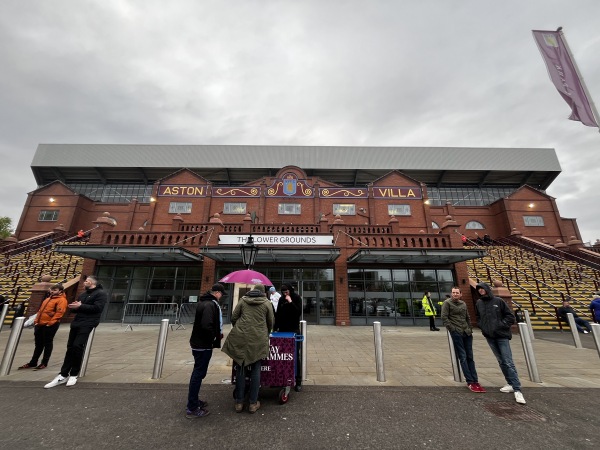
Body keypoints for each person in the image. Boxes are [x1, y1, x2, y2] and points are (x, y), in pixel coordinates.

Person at [44, 275, 107, 389]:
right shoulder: (82, 294)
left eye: (87, 281)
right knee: (70, 347)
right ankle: (63, 374)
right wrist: (73, 307)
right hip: (77, 322)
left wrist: (81, 305)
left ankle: (74, 374)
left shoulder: (101, 294)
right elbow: (77, 308)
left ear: (93, 283)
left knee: (78, 346)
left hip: (88, 322)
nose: (84, 283)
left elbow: (98, 308)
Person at [221, 284, 274, 414]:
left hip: (241, 336)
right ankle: (252, 403)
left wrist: (240, 327)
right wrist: (266, 331)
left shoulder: (243, 300)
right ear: (263, 292)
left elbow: (234, 317)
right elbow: (271, 321)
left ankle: (239, 402)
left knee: (240, 367)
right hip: (258, 338)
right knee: (256, 368)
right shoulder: (266, 303)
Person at [475, 282, 526, 405]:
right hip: (489, 336)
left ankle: (517, 388)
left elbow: (510, 316)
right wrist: (483, 327)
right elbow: (478, 317)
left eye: (483, 289)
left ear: (487, 289)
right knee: (501, 361)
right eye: (479, 289)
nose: (481, 291)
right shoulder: (479, 303)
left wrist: (500, 326)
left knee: (508, 361)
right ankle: (509, 383)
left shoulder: (498, 301)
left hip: (501, 336)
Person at [185, 283, 225, 419]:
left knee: (199, 372)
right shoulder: (209, 305)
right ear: (218, 293)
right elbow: (206, 325)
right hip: (203, 344)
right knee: (198, 373)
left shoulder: (205, 302)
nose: (221, 297)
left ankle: (194, 401)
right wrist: (214, 337)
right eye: (222, 294)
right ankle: (192, 407)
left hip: (199, 342)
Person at [441, 287, 485, 393]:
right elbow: (444, 317)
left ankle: (475, 380)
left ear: (461, 294)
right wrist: (453, 329)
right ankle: (470, 381)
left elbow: (467, 317)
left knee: (470, 356)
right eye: (453, 293)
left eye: (457, 293)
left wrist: (470, 328)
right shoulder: (447, 303)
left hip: (467, 332)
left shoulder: (463, 304)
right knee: (463, 356)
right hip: (457, 332)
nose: (455, 294)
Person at [19, 283, 68, 370]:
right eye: (52, 290)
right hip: (40, 324)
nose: (52, 291)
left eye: (55, 290)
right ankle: (33, 362)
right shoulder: (47, 299)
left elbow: (59, 313)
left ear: (60, 291)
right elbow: (40, 311)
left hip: (50, 325)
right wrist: (36, 321)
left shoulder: (61, 300)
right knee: (38, 344)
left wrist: (50, 323)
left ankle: (44, 362)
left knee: (47, 343)